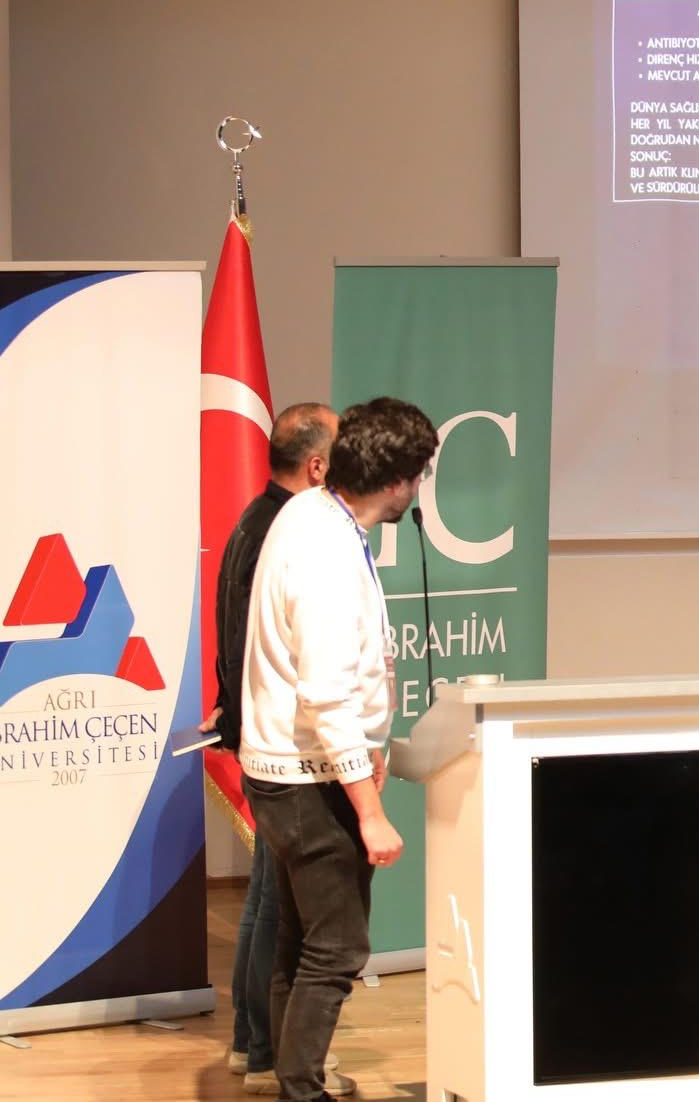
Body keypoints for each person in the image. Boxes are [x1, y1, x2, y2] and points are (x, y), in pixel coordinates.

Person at [240, 397, 439, 1102]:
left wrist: (367, 743)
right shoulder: (326, 549)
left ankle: (295, 1077)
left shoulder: (313, 513)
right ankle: (302, 1089)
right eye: (419, 476)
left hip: (292, 769)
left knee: (302, 941)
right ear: (400, 480)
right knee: (338, 948)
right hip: (307, 779)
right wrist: (370, 812)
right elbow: (324, 694)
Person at [211, 403, 340, 1095]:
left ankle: (251, 1041)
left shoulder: (255, 521)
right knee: (276, 901)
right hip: (280, 745)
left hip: (258, 736)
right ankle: (265, 1050)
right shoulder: (286, 531)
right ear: (317, 466)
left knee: (266, 898)